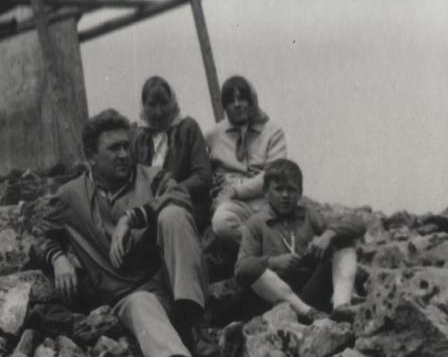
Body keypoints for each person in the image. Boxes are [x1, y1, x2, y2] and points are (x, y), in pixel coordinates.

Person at [34, 109, 221, 357]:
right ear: (91, 156)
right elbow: (41, 234)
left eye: (126, 146)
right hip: (128, 295)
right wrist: (57, 257)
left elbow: (181, 197)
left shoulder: (152, 176)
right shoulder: (70, 196)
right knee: (139, 304)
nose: (124, 154)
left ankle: (197, 327)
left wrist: (134, 216)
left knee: (173, 214)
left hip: (172, 283)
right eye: (114, 148)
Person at [234, 159, 365, 323]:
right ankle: (306, 313)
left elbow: (358, 223)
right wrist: (273, 262)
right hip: (278, 304)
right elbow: (241, 269)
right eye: (278, 189)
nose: (285, 196)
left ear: (300, 193)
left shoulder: (309, 215)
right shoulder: (256, 223)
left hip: (311, 294)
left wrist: (328, 235)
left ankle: (341, 307)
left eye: (291, 189)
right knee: (249, 269)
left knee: (343, 240)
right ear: (266, 192)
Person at [206, 75, 288, 244]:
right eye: (230, 100)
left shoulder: (273, 132)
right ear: (224, 106)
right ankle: (263, 247)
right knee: (221, 222)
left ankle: (266, 249)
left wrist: (237, 190)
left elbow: (273, 174)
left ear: (252, 101)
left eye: (242, 99)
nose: (237, 105)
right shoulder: (213, 135)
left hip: (266, 200)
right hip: (234, 204)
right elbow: (202, 169)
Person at [131, 76, 212, 231]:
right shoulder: (136, 135)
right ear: (143, 105)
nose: (158, 111)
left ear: (172, 102)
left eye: (163, 103)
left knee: (168, 217)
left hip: (185, 204)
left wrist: (171, 193)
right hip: (146, 207)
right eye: (152, 104)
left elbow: (203, 176)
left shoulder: (188, 127)